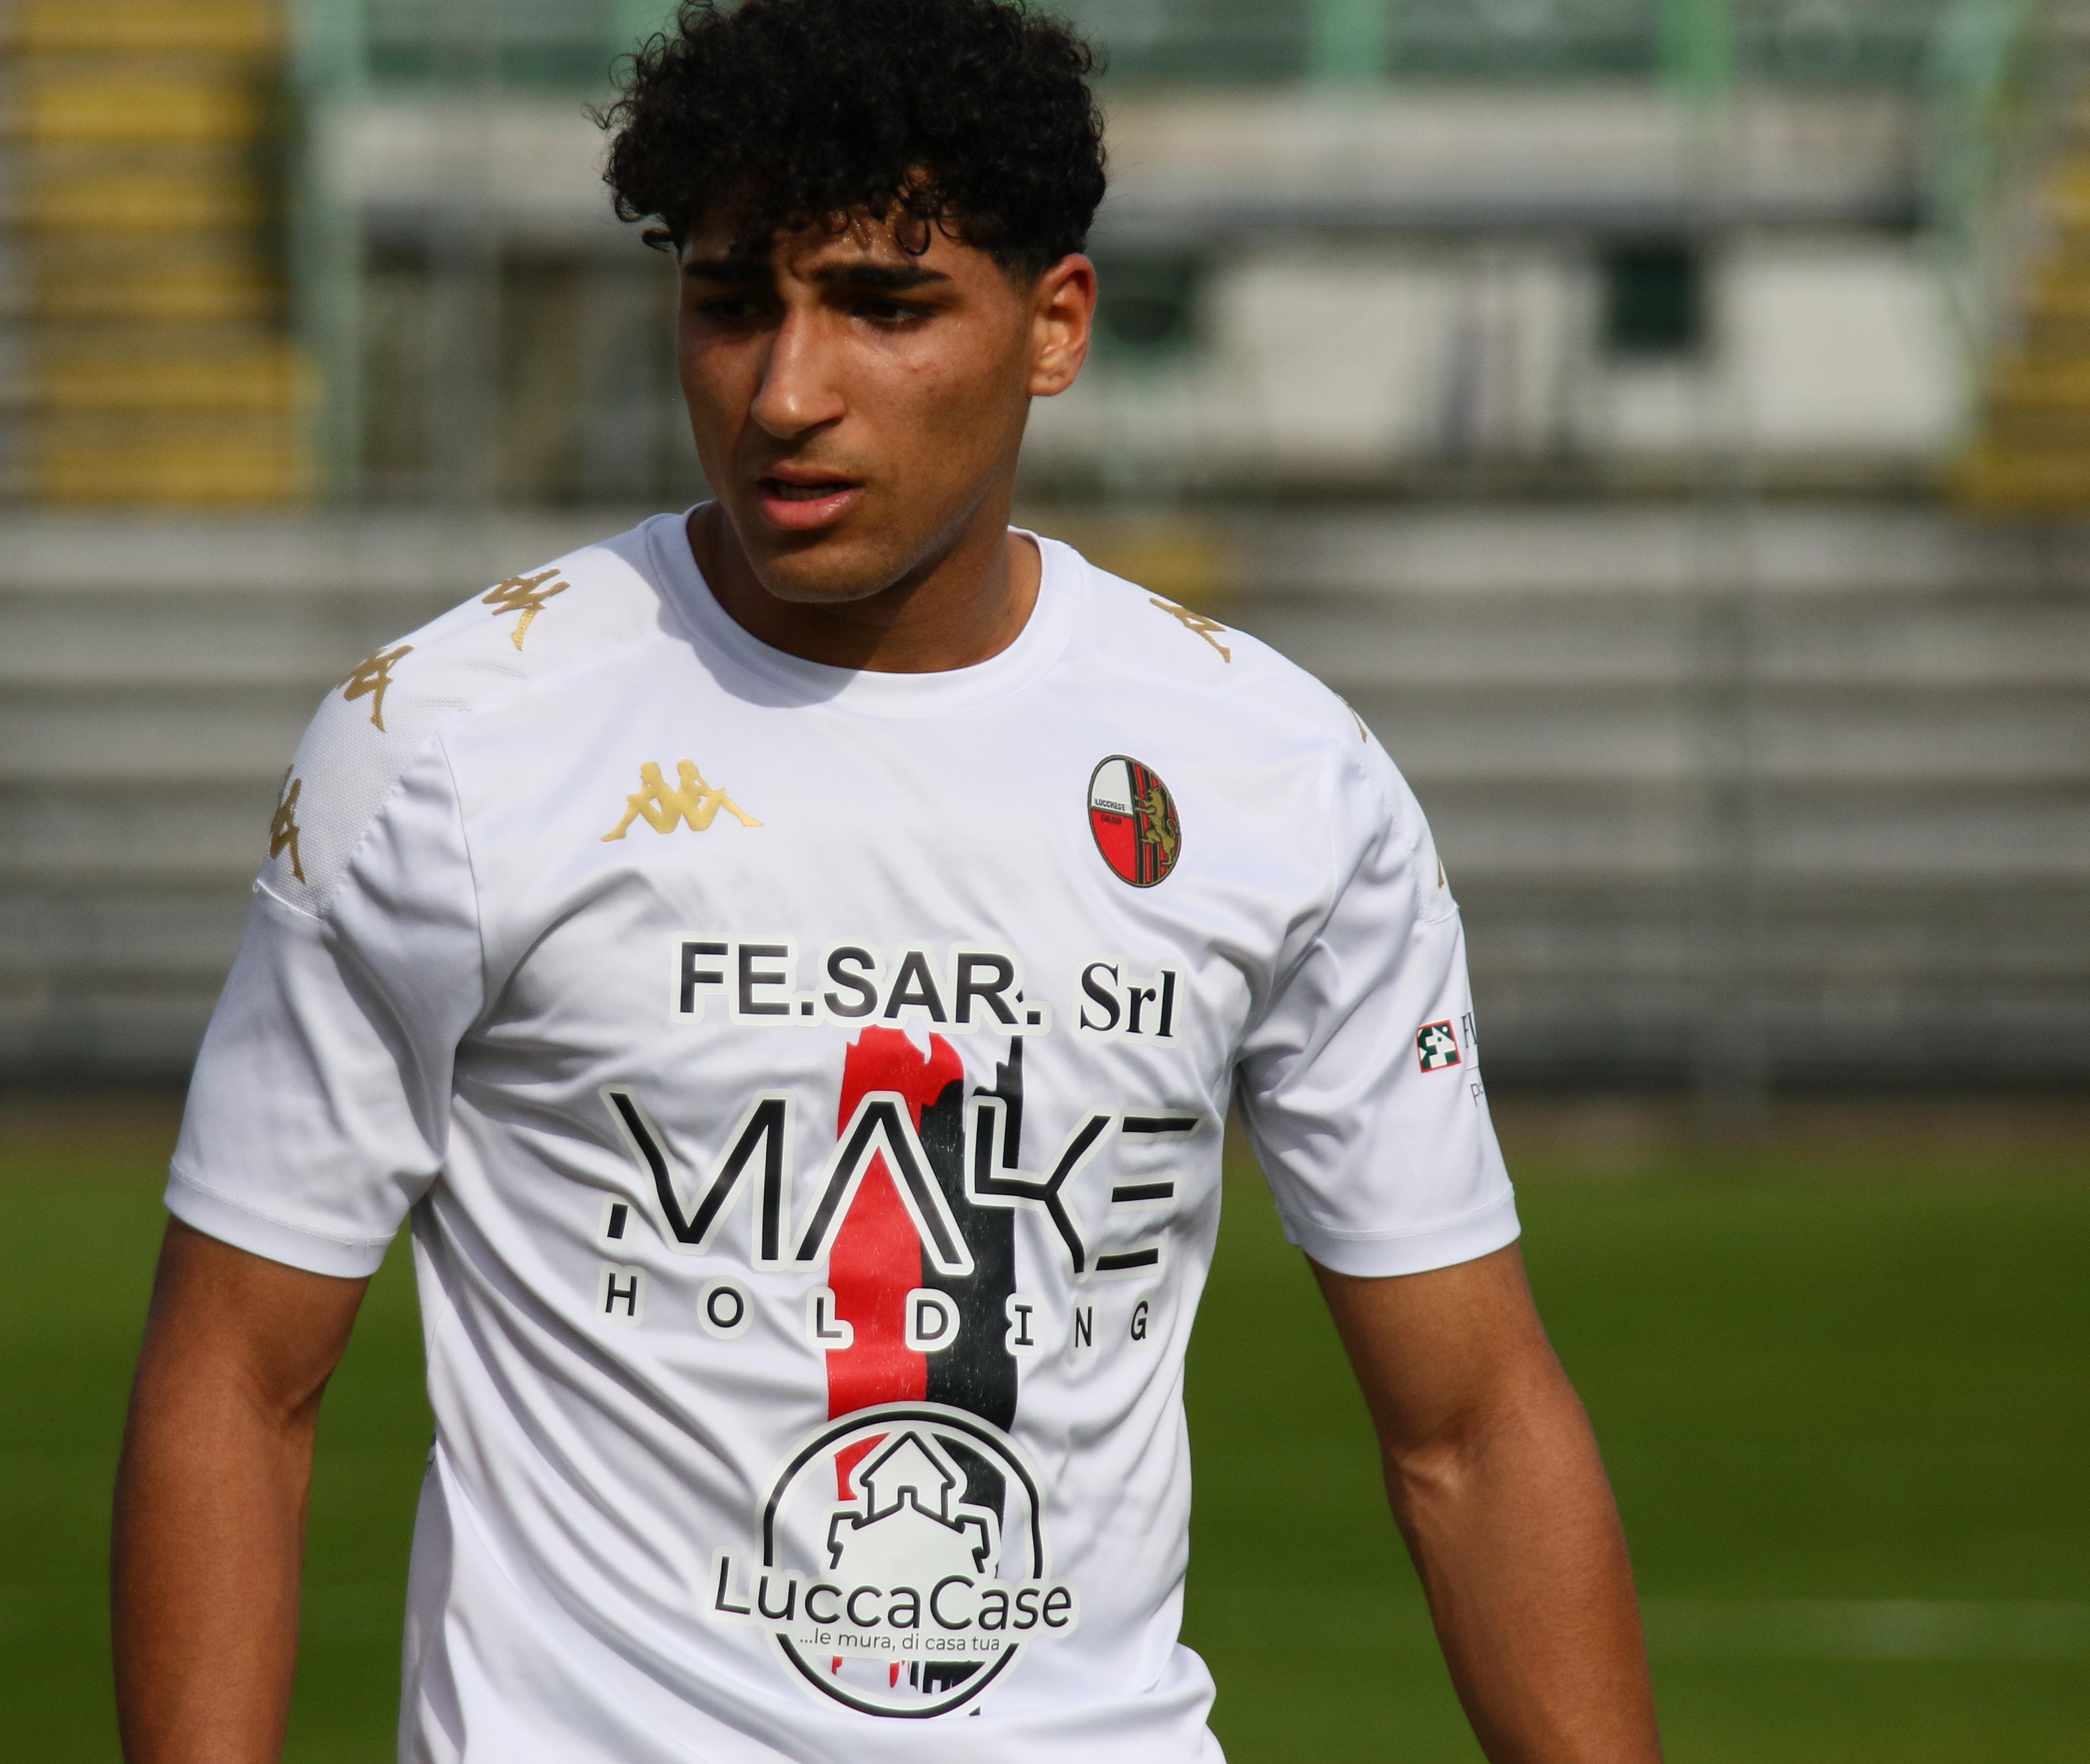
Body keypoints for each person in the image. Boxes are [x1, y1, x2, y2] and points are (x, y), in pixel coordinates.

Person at [110, 0, 1662, 1758]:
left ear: (1056, 324)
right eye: (730, 302)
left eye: (884, 305)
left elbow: (1471, 1428)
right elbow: (237, 1380)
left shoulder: (1278, 778)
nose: (787, 391)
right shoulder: (450, 745)